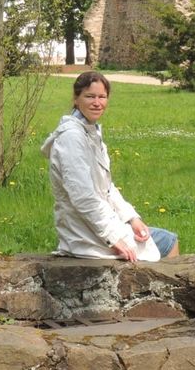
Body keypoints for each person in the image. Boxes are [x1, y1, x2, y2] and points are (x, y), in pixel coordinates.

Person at [41, 71, 179, 262]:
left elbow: (107, 187)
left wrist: (132, 219)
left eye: (102, 97)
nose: (97, 103)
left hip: (95, 227)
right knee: (168, 241)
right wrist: (113, 239)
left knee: (162, 238)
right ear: (76, 98)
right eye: (90, 96)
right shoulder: (72, 138)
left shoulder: (90, 132)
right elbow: (82, 197)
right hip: (84, 234)